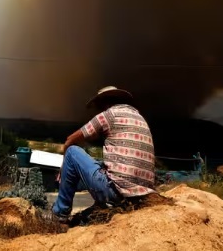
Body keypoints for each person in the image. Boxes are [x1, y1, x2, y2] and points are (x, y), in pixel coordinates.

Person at [50, 86, 156, 222]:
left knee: (72, 152)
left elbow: (70, 141)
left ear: (104, 102)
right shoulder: (139, 117)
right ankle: (97, 207)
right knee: (101, 164)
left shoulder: (109, 115)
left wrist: (62, 168)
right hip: (142, 195)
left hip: (116, 193)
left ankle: (60, 214)